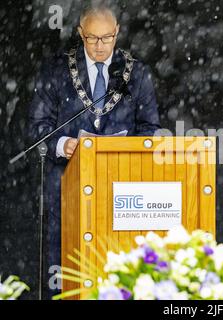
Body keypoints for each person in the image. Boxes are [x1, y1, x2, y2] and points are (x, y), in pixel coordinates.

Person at [28, 3, 161, 299]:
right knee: (66, 263)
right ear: (80, 33)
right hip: (67, 186)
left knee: (115, 261)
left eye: (107, 38)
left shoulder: (136, 74)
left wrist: (124, 152)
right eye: (92, 38)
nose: (100, 47)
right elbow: (37, 127)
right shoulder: (55, 71)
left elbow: (150, 128)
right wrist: (63, 144)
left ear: (117, 33)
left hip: (120, 189)